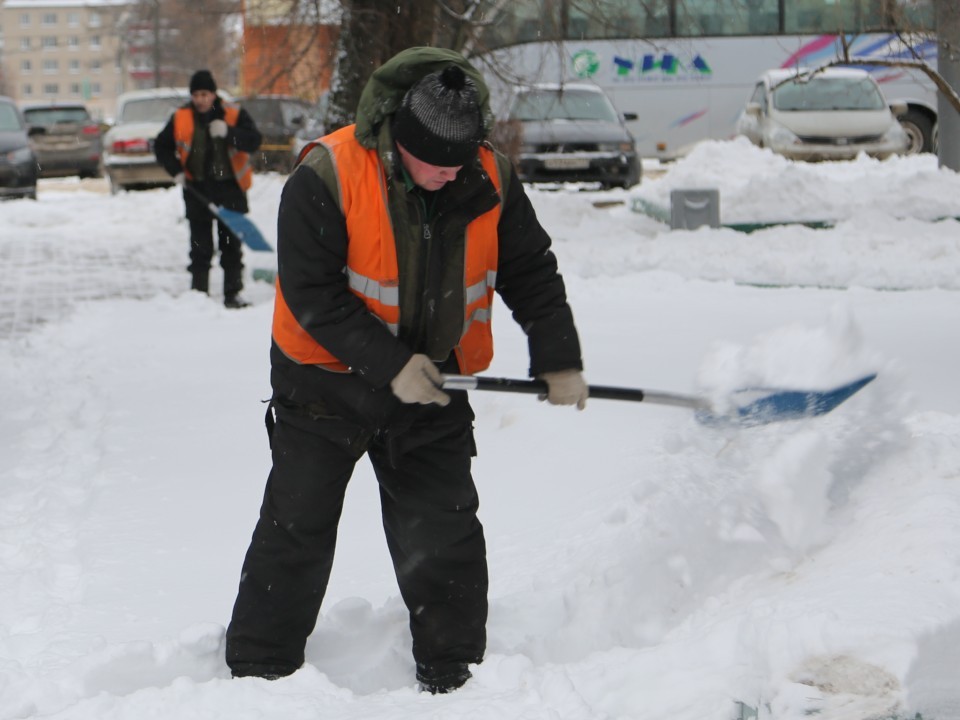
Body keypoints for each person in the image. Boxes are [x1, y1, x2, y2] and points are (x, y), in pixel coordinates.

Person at [225, 47, 588, 693]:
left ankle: (458, 677)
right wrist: (391, 364)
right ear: (401, 141)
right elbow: (313, 296)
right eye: (438, 163)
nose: (453, 174)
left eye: (463, 159)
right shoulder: (329, 173)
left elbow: (531, 269)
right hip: (323, 386)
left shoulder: (488, 177)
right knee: (297, 528)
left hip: (435, 384)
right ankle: (259, 676)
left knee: (442, 529)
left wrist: (558, 356)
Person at [154, 69, 262, 308]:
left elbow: (254, 140)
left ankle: (232, 294)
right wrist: (177, 172)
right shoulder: (181, 117)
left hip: (230, 190)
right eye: (196, 95)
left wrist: (229, 133)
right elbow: (161, 147)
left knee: (231, 246)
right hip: (197, 190)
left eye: (205, 94)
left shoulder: (234, 114)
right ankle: (199, 295)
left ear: (214, 94)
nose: (201, 99)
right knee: (200, 247)